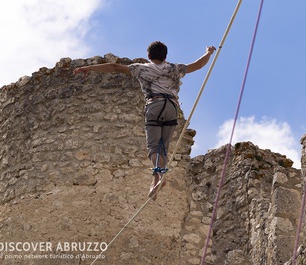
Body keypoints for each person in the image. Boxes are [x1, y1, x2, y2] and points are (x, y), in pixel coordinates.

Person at [73, 41, 216, 200]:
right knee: (163, 148)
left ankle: (160, 177)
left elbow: (114, 67)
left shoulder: (142, 68)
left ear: (149, 56)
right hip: (171, 108)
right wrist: (209, 53)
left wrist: (88, 68)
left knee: (154, 147)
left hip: (154, 104)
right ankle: (156, 180)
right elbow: (197, 65)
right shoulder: (174, 68)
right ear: (165, 56)